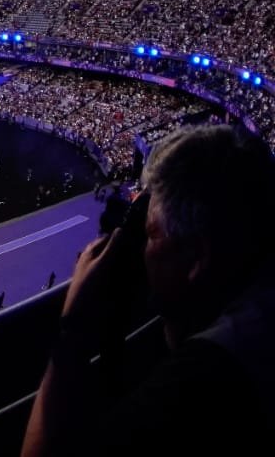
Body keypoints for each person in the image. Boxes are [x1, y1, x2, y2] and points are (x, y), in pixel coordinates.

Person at [21, 125, 275, 457]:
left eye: (153, 235)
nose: (143, 250)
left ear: (197, 257)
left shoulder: (203, 383)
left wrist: (74, 329)